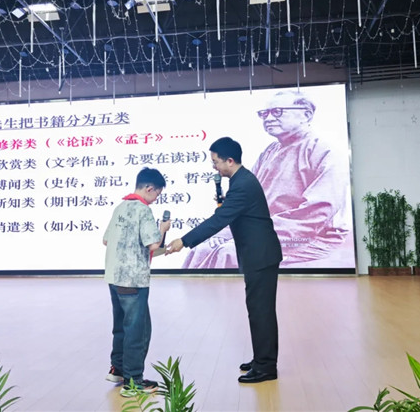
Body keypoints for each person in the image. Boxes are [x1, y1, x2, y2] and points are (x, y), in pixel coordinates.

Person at [182, 90, 352, 269]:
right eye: (264, 114)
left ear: (306, 114)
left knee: (229, 252)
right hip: (262, 228)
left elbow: (314, 215)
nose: (269, 118)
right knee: (202, 248)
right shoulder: (270, 151)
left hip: (307, 237)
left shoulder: (325, 153)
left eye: (277, 112)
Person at [166, 137, 281, 383]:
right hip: (257, 254)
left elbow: (219, 221)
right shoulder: (240, 180)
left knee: (261, 311)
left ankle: (266, 367)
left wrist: (184, 241)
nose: (214, 167)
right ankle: (262, 359)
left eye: (215, 162)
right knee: (258, 310)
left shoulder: (243, 184)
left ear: (230, 161)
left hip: (260, 255)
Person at [103, 167, 171, 397]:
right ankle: (133, 382)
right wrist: (163, 229)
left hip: (114, 277)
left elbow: (106, 240)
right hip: (133, 280)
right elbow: (153, 244)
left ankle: (118, 369)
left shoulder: (120, 207)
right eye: (157, 194)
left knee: (121, 326)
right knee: (137, 330)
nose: (156, 198)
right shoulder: (143, 210)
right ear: (150, 188)